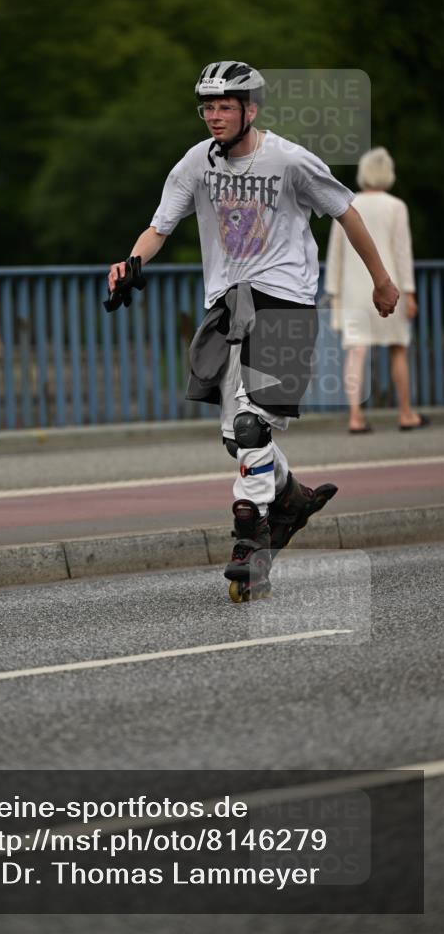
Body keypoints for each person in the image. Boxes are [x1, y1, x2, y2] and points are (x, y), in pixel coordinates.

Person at [107, 60, 399, 601]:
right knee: (237, 438)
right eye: (207, 108)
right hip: (228, 306)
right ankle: (289, 498)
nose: (214, 117)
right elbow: (160, 226)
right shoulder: (196, 162)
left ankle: (251, 540)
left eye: (224, 107)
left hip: (285, 303)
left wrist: (382, 281)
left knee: (249, 428)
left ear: (251, 109)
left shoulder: (288, 159)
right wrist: (129, 262)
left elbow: (347, 212)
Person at [325, 146, 426, 433]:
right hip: (388, 287)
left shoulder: (345, 203)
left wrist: (334, 292)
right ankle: (406, 413)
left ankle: (355, 417)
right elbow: (403, 253)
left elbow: (336, 254)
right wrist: (409, 293)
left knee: (356, 352)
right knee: (398, 349)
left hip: (354, 291)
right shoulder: (396, 206)